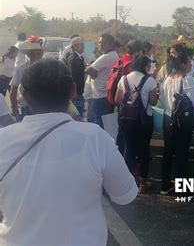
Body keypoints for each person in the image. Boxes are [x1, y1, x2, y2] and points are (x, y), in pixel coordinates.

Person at [0, 58, 137, 245]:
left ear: (25, 95)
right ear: (73, 90)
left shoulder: (3, 140)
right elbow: (124, 195)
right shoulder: (95, 138)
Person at [159, 46, 194, 195]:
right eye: (189, 63)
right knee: (182, 153)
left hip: (167, 117)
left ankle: (165, 185)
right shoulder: (187, 79)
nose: (191, 66)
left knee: (168, 152)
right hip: (181, 121)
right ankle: (182, 188)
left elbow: (162, 98)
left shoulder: (167, 79)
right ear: (183, 65)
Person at [115, 55, 158, 194]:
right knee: (144, 150)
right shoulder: (150, 80)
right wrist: (156, 94)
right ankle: (143, 184)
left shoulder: (124, 79)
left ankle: (126, 182)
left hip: (126, 119)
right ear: (146, 66)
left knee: (128, 149)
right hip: (144, 121)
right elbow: (153, 102)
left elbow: (117, 99)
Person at [85, 33, 118, 128]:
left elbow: (87, 70)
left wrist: (91, 70)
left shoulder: (106, 57)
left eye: (103, 43)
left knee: (98, 125)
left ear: (111, 45)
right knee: (105, 125)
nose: (100, 45)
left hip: (100, 97)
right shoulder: (114, 55)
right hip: (106, 95)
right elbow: (92, 71)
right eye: (99, 43)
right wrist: (93, 71)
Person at [10, 36, 44, 120]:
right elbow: (13, 89)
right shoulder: (21, 69)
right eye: (35, 53)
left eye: (39, 53)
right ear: (28, 54)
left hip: (42, 107)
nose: (37, 56)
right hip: (25, 107)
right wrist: (14, 107)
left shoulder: (46, 68)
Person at [62, 36, 86, 117]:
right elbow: (73, 76)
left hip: (78, 91)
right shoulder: (73, 58)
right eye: (81, 45)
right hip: (76, 92)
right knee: (77, 114)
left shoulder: (79, 57)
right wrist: (74, 91)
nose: (83, 47)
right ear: (74, 46)